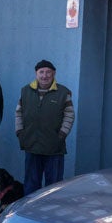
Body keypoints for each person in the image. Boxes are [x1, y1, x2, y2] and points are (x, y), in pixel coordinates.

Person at [16, 59, 74, 195]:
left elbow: (69, 115)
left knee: (53, 188)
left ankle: (51, 214)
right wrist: (20, 133)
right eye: (41, 72)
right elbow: (18, 113)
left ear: (53, 74)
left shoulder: (63, 92)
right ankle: (29, 214)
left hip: (54, 148)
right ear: (36, 74)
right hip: (32, 146)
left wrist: (61, 136)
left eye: (48, 72)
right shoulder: (25, 91)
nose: (45, 75)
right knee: (31, 185)